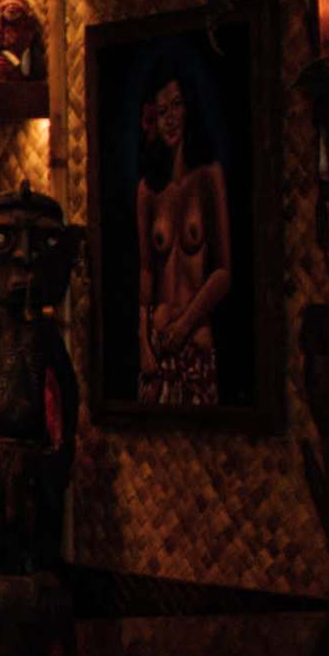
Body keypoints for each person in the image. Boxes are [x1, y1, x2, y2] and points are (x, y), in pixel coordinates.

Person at [133, 64, 232, 408]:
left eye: (176, 106)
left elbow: (223, 272)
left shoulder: (207, 177)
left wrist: (185, 323)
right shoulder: (148, 189)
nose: (171, 118)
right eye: (162, 112)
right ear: (153, 121)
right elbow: (146, 271)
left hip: (195, 340)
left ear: (189, 108)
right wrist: (143, 341)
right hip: (158, 346)